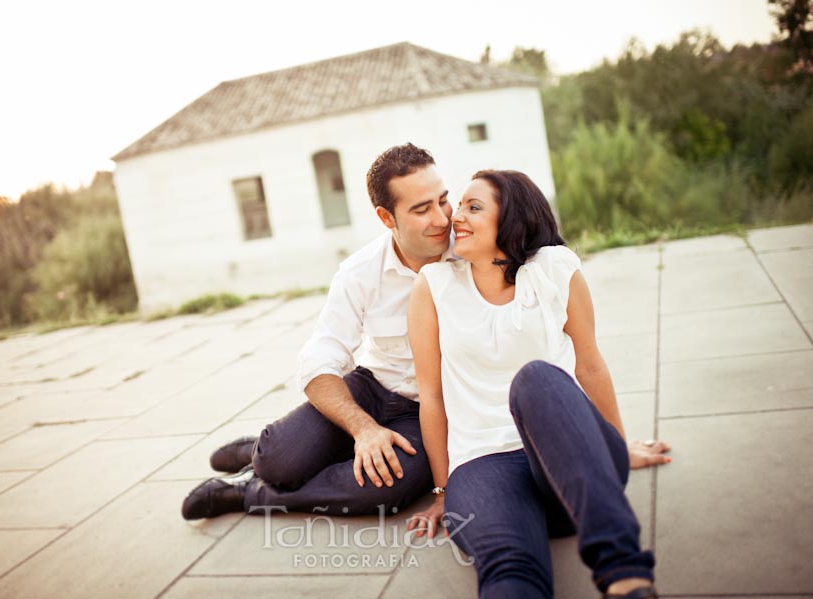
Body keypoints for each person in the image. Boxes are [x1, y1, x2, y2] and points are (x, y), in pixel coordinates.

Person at [406, 170, 670, 599]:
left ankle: (626, 577)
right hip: (482, 465)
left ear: (511, 219)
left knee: (536, 379)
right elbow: (431, 395)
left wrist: (616, 447)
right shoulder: (433, 287)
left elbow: (590, 366)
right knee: (509, 568)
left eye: (474, 207)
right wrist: (441, 491)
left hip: (567, 455)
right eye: (461, 205)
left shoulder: (553, 269)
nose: (457, 217)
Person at [180, 143, 454, 519]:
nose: (442, 219)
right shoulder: (360, 272)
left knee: (389, 486)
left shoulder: (472, 255)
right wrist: (363, 428)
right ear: (386, 217)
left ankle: (249, 493)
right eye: (422, 209)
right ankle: (261, 453)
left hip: (429, 411)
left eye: (443, 200)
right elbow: (320, 355)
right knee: (280, 461)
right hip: (371, 389)